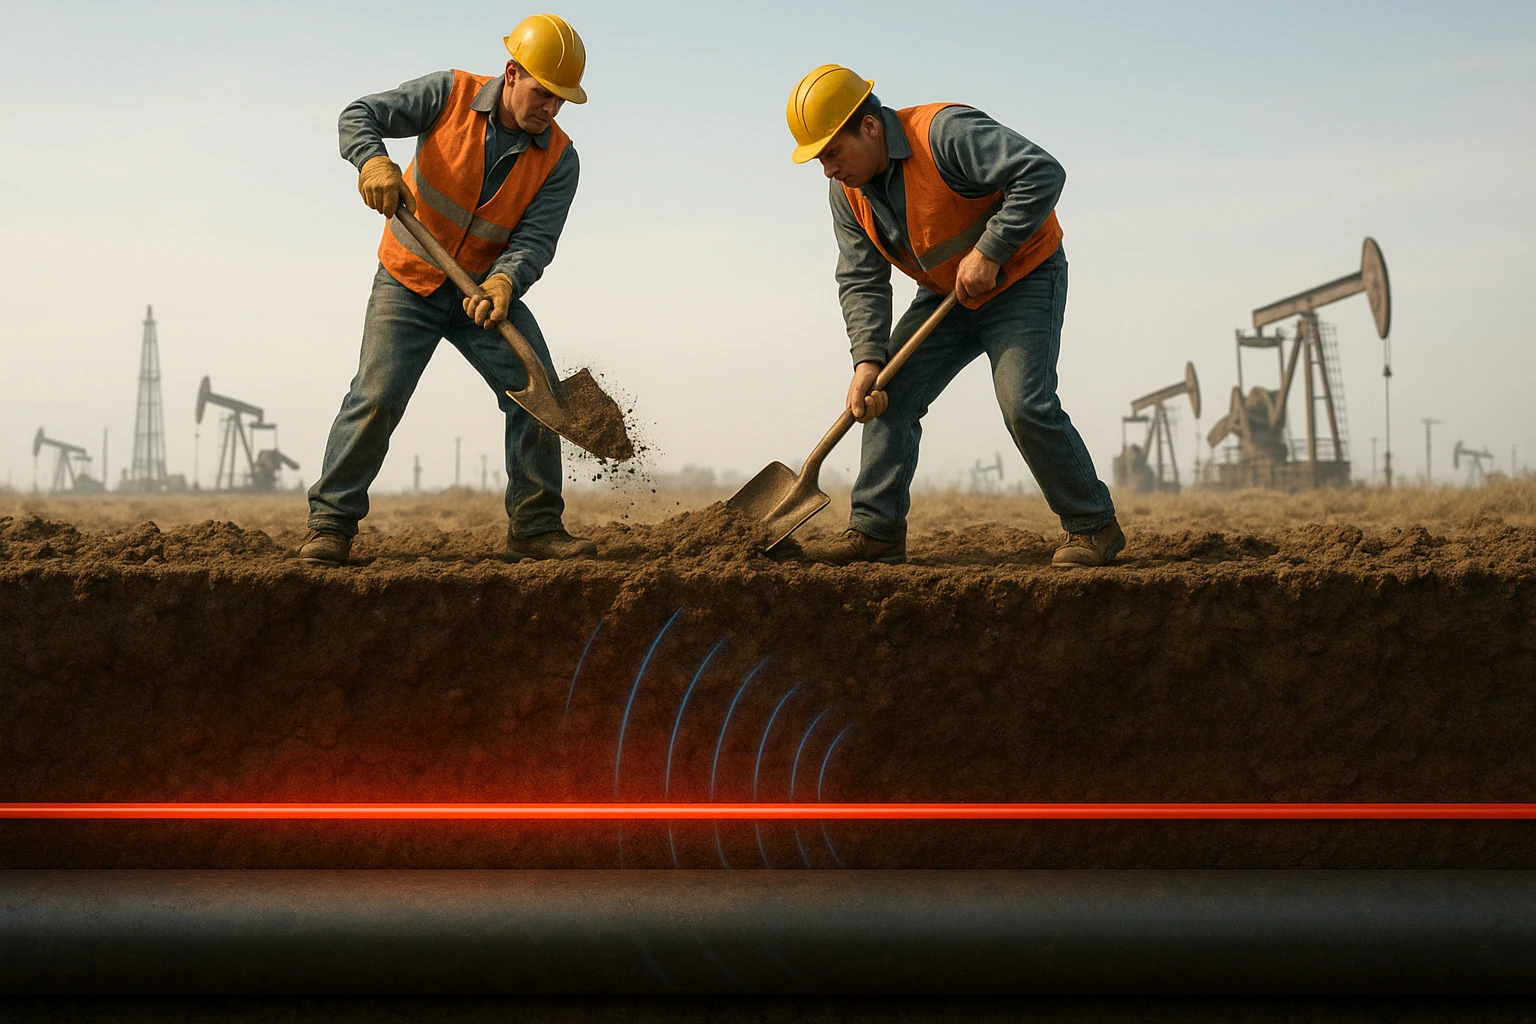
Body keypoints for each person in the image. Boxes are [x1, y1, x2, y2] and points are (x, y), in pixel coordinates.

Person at [785, 65, 1123, 567]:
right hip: (945, 294)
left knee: (1024, 403)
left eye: (832, 151)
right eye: (819, 159)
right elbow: (861, 278)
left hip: (1021, 277)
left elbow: (1042, 171)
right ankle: (876, 531)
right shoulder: (848, 193)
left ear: (871, 127)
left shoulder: (945, 134)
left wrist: (991, 250)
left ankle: (1094, 528)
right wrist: (867, 360)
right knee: (887, 394)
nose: (828, 169)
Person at [300, 14, 595, 567]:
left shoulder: (560, 159)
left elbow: (535, 238)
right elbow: (358, 114)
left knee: (541, 399)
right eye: (543, 93)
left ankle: (534, 527)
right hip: (408, 280)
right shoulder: (448, 94)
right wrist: (374, 161)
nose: (550, 109)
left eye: (561, 101)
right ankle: (330, 526)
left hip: (479, 297)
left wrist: (505, 281)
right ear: (511, 73)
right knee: (377, 396)